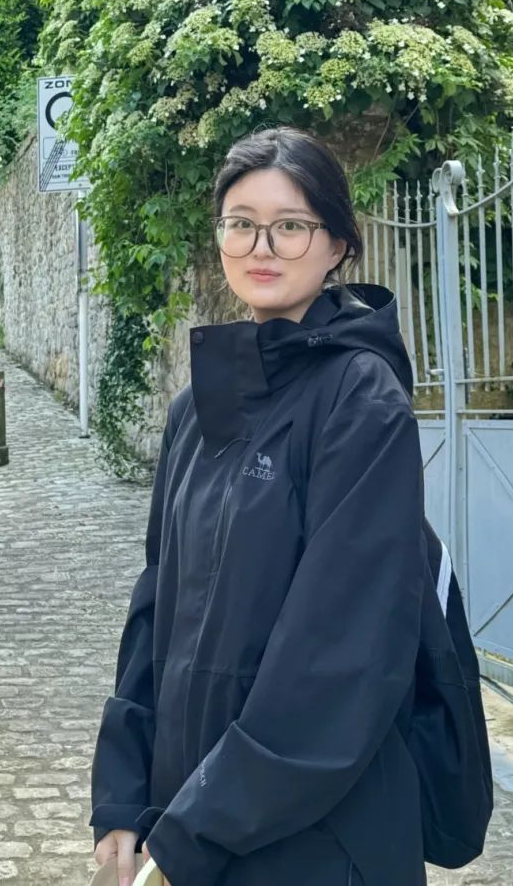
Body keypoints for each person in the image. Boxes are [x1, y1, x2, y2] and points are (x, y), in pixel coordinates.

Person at [90, 128, 433, 886]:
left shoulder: (362, 400)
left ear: (338, 244)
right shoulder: (196, 408)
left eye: (291, 225)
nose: (261, 247)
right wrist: (124, 794)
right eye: (240, 223)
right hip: (191, 811)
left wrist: (200, 828)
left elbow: (343, 649)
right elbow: (158, 603)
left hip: (316, 834)